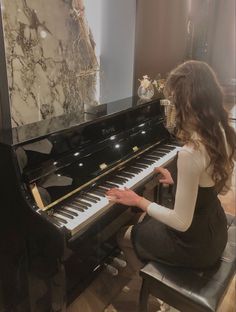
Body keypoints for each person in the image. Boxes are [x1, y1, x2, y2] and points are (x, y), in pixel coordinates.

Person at [106, 60, 236, 271]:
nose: (173, 110)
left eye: (174, 103)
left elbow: (181, 222)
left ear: (187, 104)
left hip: (193, 245)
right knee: (148, 220)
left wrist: (137, 200)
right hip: (215, 228)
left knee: (125, 235)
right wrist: (181, 181)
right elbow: (219, 183)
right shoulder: (223, 131)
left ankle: (155, 286)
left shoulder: (191, 152)